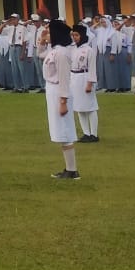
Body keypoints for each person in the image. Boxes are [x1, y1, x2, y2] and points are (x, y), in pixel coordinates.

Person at [45, 20, 79, 179]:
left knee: (65, 131)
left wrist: (63, 101)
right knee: (60, 131)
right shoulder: (55, 51)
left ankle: (72, 170)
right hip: (52, 90)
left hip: (59, 90)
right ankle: (68, 168)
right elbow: (41, 56)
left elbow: (64, 78)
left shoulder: (62, 53)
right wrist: (41, 42)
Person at [70, 23, 99, 144]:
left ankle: (94, 134)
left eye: (76, 35)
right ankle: (86, 133)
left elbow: (92, 68)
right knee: (79, 107)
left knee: (90, 107)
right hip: (74, 78)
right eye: (73, 35)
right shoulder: (72, 49)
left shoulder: (89, 50)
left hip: (85, 76)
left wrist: (90, 83)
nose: (75, 37)